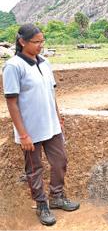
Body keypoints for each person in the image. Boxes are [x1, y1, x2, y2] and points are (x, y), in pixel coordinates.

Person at [2, 24, 80, 226]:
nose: (40, 46)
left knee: (60, 161)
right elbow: (12, 102)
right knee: (34, 168)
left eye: (42, 42)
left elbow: (51, 94)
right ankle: (41, 205)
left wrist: (58, 116)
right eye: (36, 42)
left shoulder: (45, 63)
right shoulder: (13, 66)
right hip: (30, 130)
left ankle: (57, 197)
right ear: (22, 42)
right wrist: (23, 134)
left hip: (51, 126)